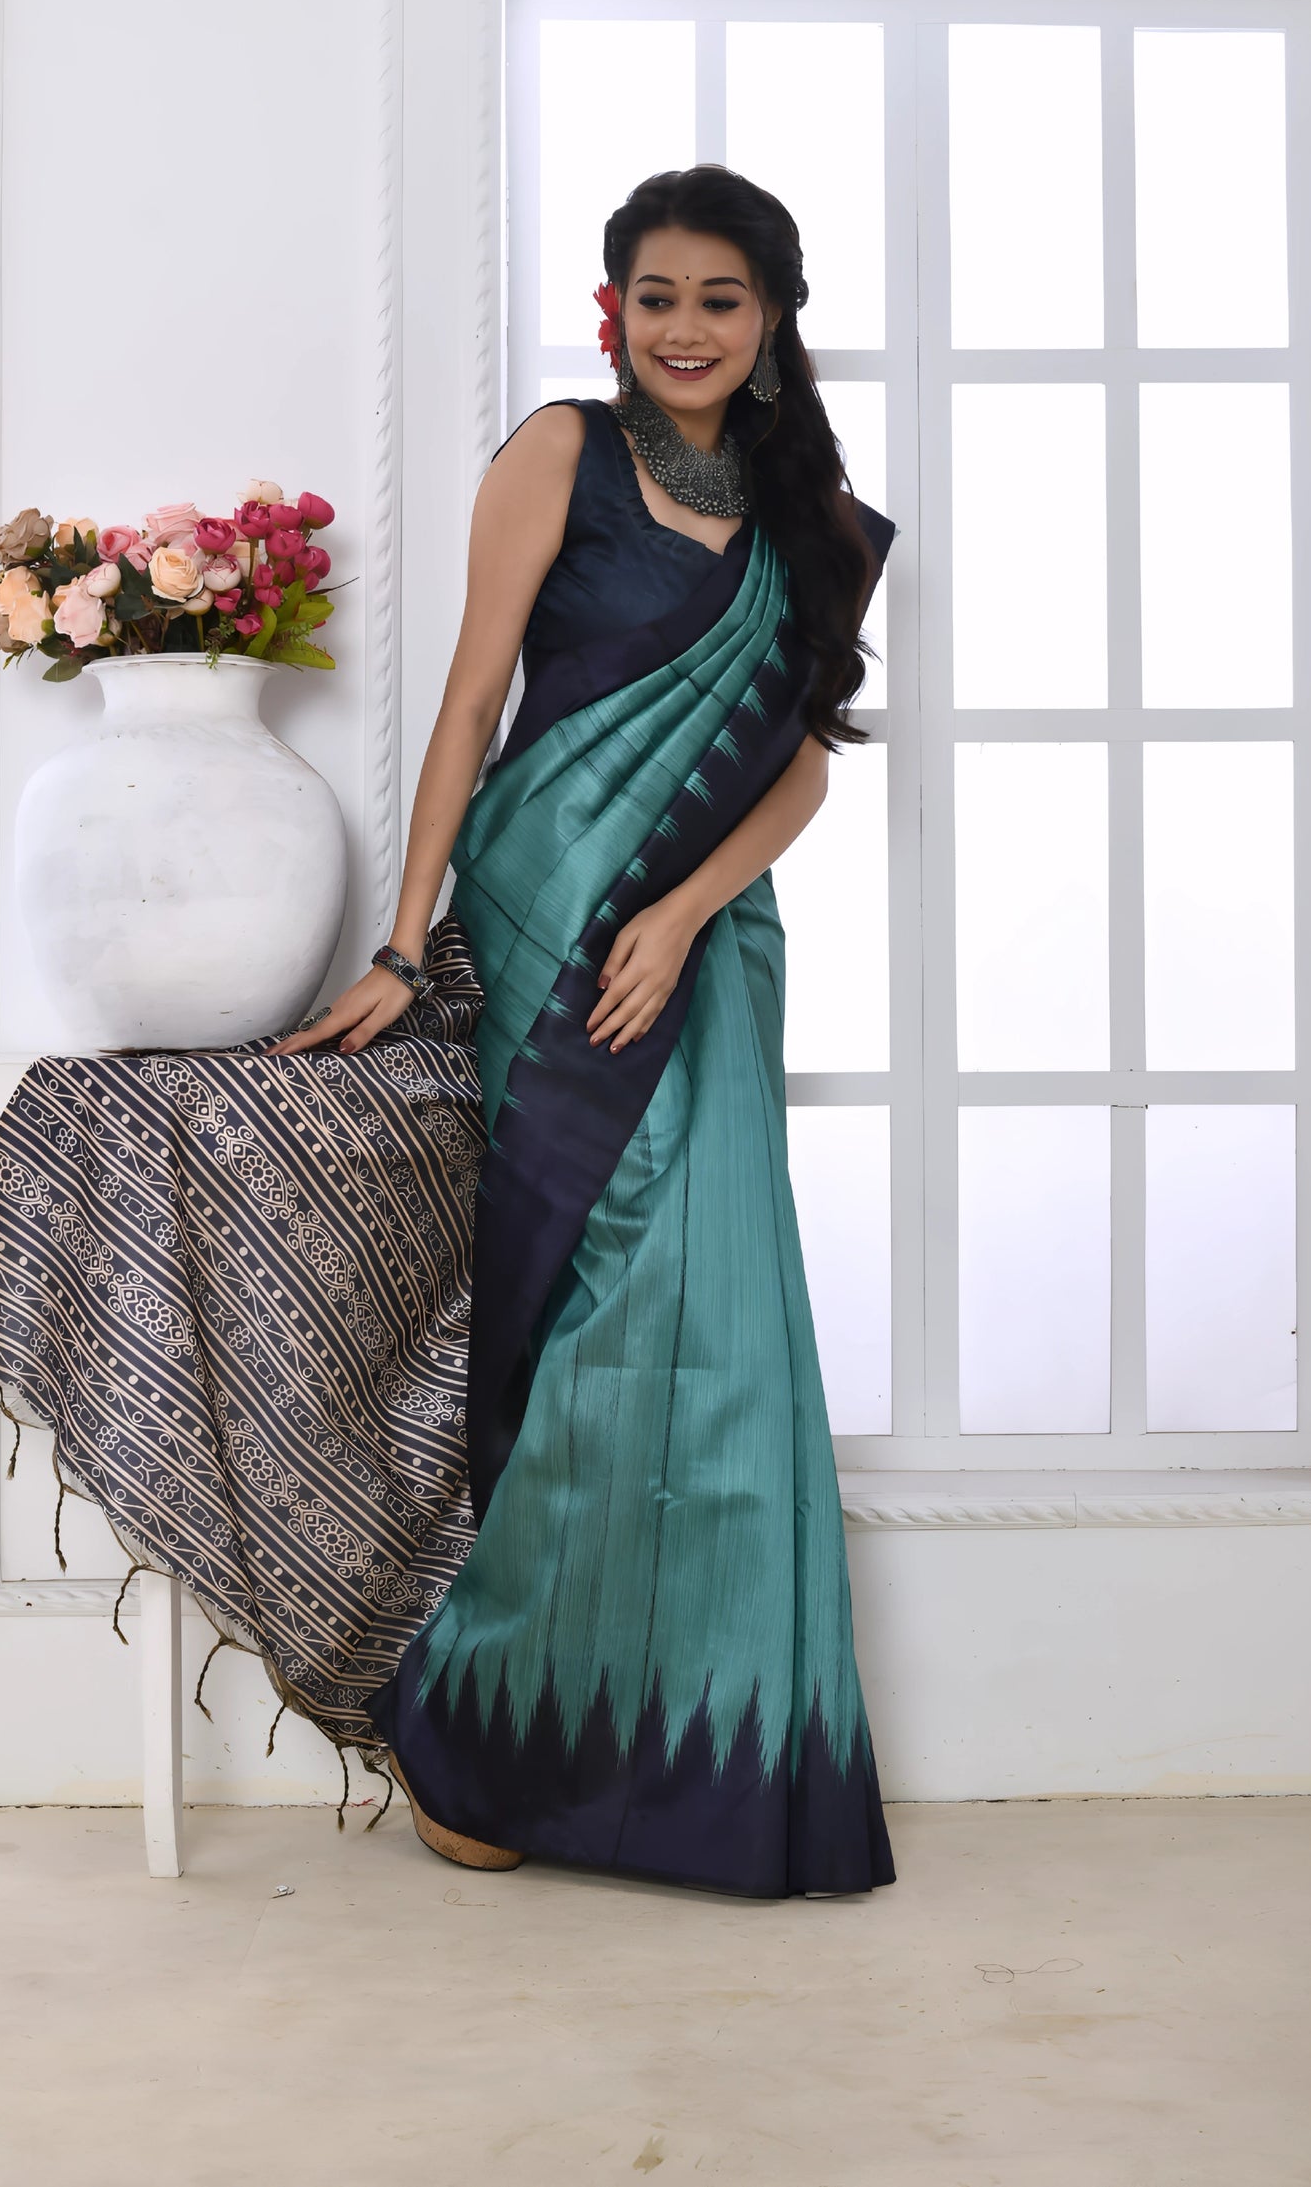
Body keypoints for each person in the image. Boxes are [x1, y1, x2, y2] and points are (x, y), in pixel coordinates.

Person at [272, 164, 897, 1899]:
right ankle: (485, 1738)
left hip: (704, 943)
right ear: (611, 308)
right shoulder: (561, 451)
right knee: (595, 1315)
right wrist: (404, 941)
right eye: (657, 296)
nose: (686, 328)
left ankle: (693, 1763)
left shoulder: (823, 525)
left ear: (772, 317)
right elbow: (475, 696)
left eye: (721, 298)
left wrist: (686, 912)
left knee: (727, 1334)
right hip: (548, 923)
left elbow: (805, 770)